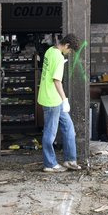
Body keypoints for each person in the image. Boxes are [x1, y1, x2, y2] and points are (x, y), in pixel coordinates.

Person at [38, 33, 82, 173]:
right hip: (53, 100)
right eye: (70, 50)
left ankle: (70, 160)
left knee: (69, 127)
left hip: (48, 96)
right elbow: (57, 81)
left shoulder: (50, 50)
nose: (69, 53)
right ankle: (50, 164)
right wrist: (65, 100)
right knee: (50, 133)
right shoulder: (58, 56)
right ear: (67, 45)